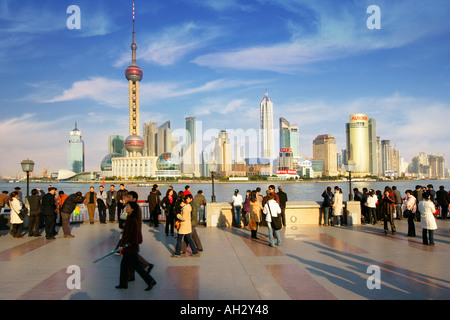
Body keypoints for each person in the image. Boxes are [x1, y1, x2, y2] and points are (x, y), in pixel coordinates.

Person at [115, 199, 157, 291]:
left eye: (128, 206)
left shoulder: (132, 220)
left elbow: (130, 235)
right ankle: (123, 283)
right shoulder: (130, 218)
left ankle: (150, 281)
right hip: (129, 248)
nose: (126, 208)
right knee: (124, 265)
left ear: (132, 209)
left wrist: (123, 245)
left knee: (137, 267)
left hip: (130, 248)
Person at [125, 191, 155, 282]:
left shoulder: (135, 208)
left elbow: (135, 223)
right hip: (132, 234)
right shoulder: (131, 208)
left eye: (129, 197)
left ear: (134, 199)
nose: (128, 199)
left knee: (131, 255)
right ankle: (131, 275)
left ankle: (146, 267)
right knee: (130, 255)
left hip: (133, 235)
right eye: (127, 197)